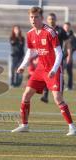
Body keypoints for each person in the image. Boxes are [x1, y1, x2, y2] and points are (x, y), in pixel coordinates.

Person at [11, 7, 76, 136]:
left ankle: (72, 127)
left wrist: (54, 69)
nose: (33, 20)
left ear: (41, 18)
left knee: (58, 98)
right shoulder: (30, 33)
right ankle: (24, 125)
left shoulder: (50, 32)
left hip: (54, 68)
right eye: (31, 17)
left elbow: (59, 53)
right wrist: (23, 65)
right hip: (40, 69)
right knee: (26, 95)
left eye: (36, 17)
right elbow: (30, 51)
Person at [40, 13, 69, 103]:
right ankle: (45, 94)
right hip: (47, 58)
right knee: (46, 75)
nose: (51, 20)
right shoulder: (45, 30)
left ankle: (60, 93)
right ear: (47, 20)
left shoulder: (60, 30)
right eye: (49, 19)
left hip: (58, 58)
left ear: (55, 19)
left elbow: (67, 40)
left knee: (59, 76)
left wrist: (65, 52)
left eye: (53, 18)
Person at [63, 22, 76, 90]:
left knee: (69, 72)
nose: (66, 28)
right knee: (60, 71)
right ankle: (60, 85)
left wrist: (69, 55)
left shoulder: (72, 37)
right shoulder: (61, 35)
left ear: (69, 27)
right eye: (65, 27)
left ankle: (69, 86)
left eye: (68, 27)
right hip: (61, 57)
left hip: (69, 56)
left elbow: (74, 47)